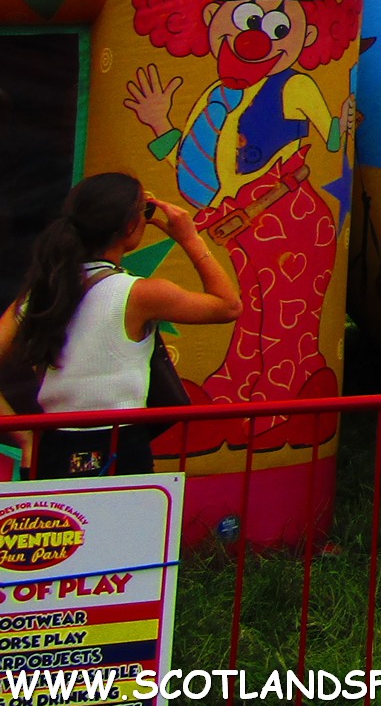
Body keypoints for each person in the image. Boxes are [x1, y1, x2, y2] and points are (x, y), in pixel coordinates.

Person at [0, 173, 242, 478]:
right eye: (145, 211)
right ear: (129, 226)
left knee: (60, 526)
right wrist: (189, 237)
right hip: (118, 443)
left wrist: (25, 436)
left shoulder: (40, 293)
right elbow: (229, 305)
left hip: (52, 444)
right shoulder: (140, 293)